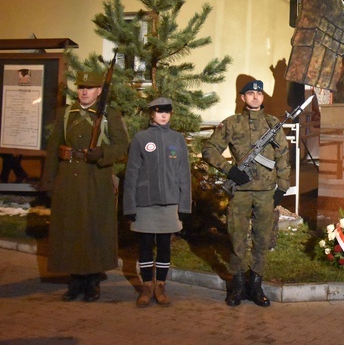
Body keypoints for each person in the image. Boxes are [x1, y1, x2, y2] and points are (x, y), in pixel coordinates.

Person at [41, 71, 129, 302]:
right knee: (69, 227)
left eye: (89, 87)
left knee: (93, 228)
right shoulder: (66, 113)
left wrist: (102, 153)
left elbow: (122, 147)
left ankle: (92, 280)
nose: (84, 91)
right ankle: (75, 279)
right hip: (68, 177)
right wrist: (49, 181)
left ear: (99, 90)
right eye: (81, 87)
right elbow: (53, 148)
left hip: (96, 178)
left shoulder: (110, 114)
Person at [202, 80, 290, 307]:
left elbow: (283, 157)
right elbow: (209, 150)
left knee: (262, 239)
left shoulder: (273, 125)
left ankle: (256, 284)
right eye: (250, 93)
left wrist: (282, 187)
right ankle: (238, 284)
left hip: (265, 193)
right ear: (243, 98)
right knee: (237, 238)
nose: (255, 97)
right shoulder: (231, 124)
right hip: (240, 192)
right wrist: (229, 169)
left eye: (258, 94)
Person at [123, 97, 191, 307]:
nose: (163, 115)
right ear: (151, 114)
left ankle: (160, 285)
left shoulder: (177, 139)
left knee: (163, 245)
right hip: (145, 202)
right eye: (159, 111)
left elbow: (183, 173)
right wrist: (130, 205)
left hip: (170, 202)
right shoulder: (141, 138)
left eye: (167, 111)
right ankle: (146, 286)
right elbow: (132, 173)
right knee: (145, 245)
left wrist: (185, 204)